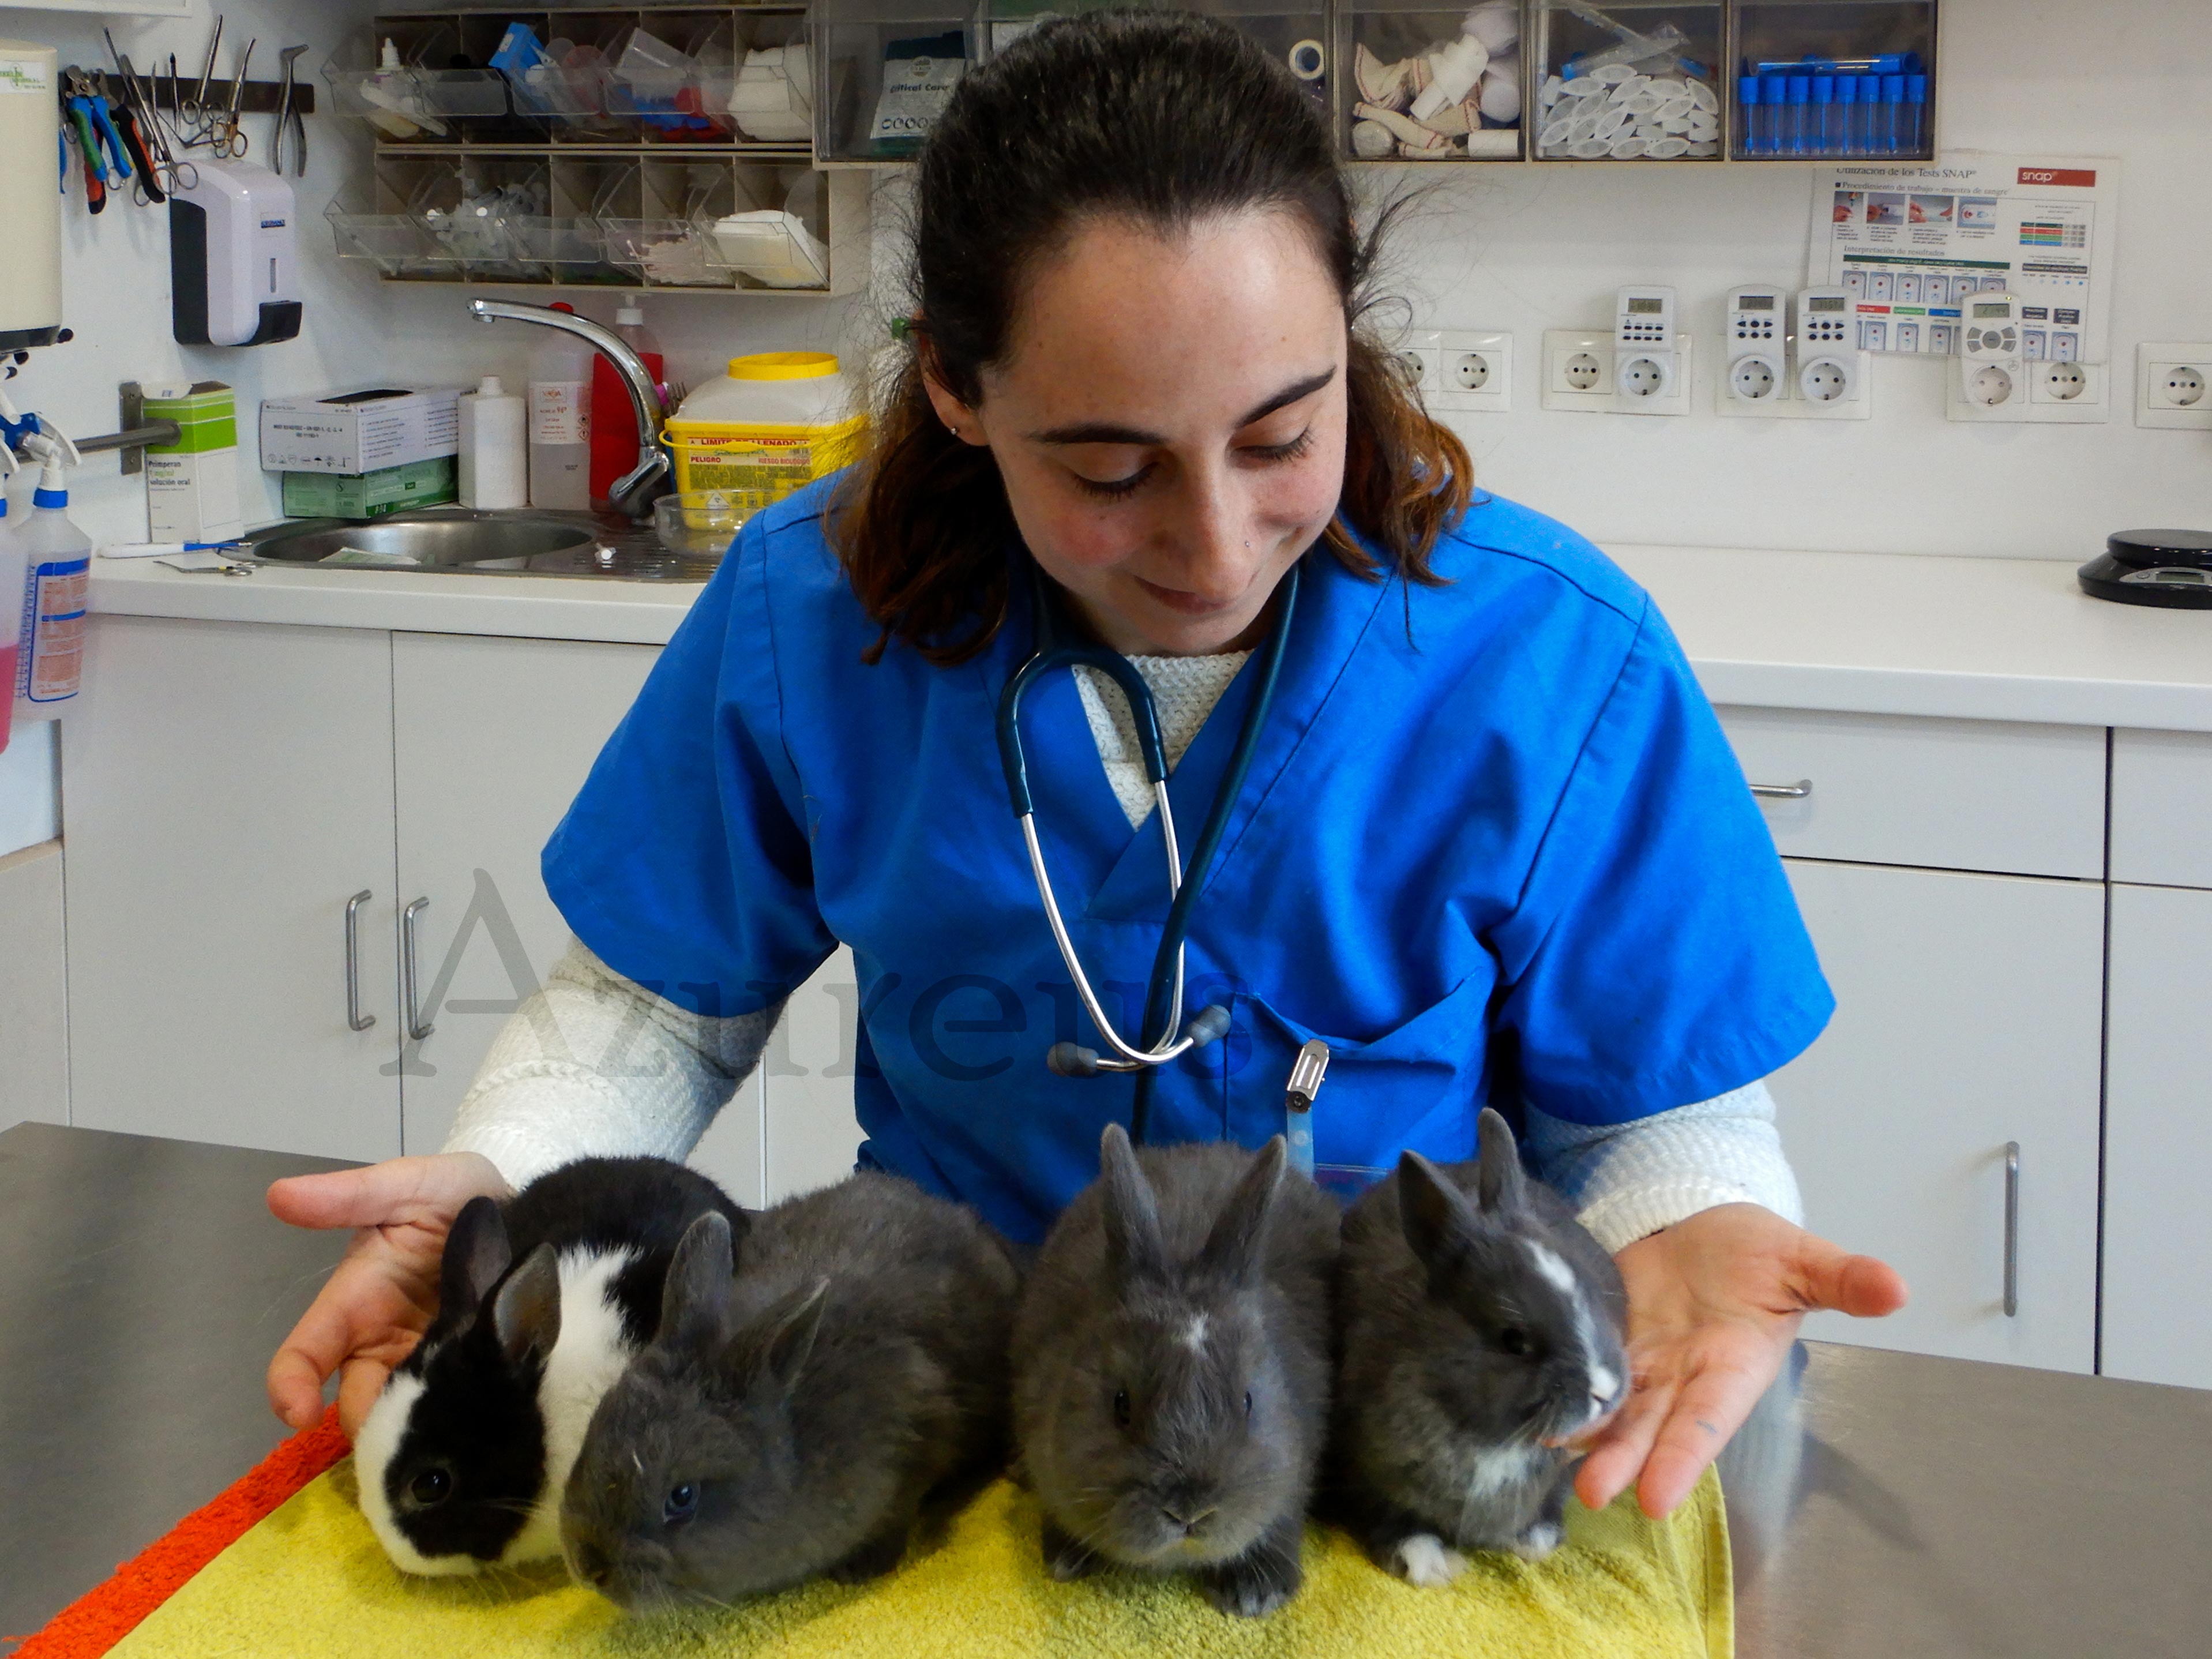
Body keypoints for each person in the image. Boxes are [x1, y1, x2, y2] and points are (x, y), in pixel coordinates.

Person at [266, 9, 1905, 1526]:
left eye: (1280, 436)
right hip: (949, 1410)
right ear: (959, 394)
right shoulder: (808, 612)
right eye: (1110, 467)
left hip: (1365, 1441)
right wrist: (504, 1193)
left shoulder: (1550, 659)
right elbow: (651, 1003)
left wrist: (1695, 1206)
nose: (1213, 544)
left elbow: (1663, 1104)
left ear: (1352, 342)